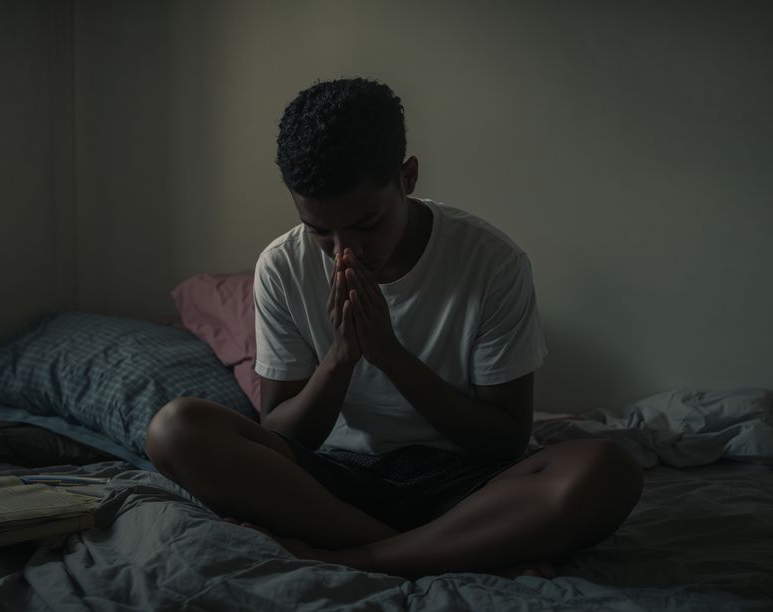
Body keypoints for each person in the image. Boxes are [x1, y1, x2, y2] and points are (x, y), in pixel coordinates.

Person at [145, 77, 642, 579]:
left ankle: (358, 558)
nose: (345, 251)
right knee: (175, 429)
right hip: (334, 483)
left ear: (407, 178)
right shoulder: (281, 266)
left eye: (366, 225)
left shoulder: (490, 261)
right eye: (320, 231)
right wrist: (341, 357)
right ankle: (440, 551)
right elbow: (284, 433)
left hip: (465, 485)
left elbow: (505, 442)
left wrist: (391, 357)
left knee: (607, 470)